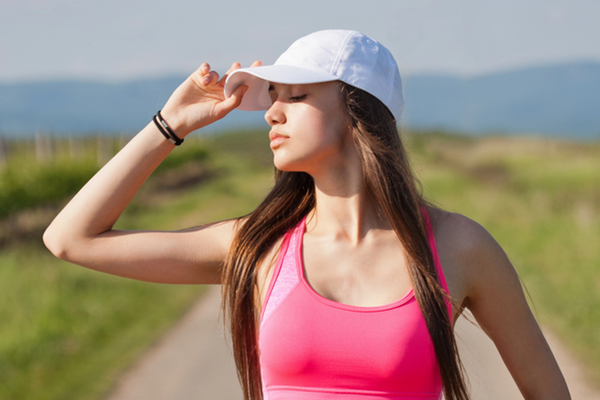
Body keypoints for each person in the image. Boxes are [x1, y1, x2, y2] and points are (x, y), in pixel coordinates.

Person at [43, 30, 570, 400]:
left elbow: (549, 392)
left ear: (357, 110)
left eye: (295, 96)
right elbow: (71, 238)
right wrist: (170, 125)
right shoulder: (259, 246)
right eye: (273, 96)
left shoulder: (459, 248)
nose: (272, 111)